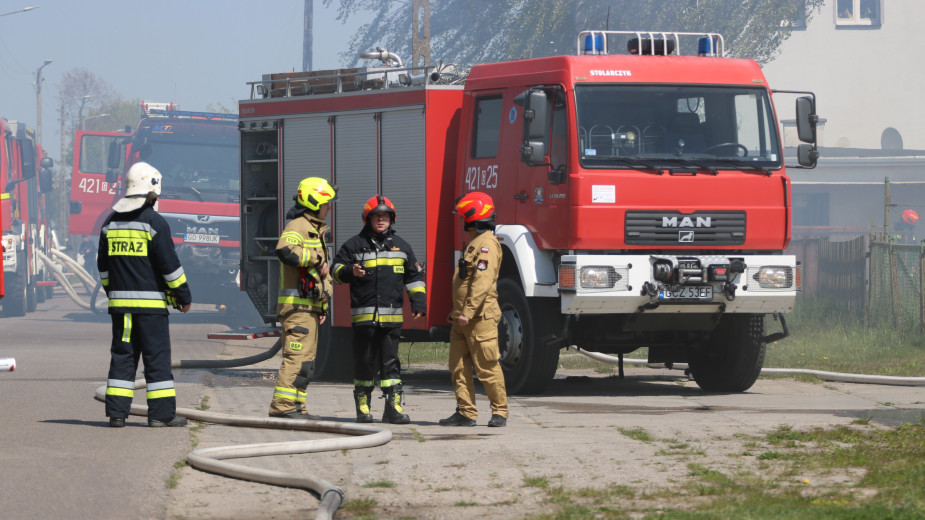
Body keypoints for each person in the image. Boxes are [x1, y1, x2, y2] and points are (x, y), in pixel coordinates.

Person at [98, 162, 192, 428]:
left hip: (121, 310)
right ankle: (161, 416)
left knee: (123, 357)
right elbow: (170, 267)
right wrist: (183, 297)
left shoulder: (109, 223)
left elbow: (103, 268)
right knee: (156, 359)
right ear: (152, 192)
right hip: (150, 310)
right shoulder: (154, 223)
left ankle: (117, 415)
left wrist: (112, 292)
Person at [331, 195, 426, 424]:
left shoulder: (402, 246)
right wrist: (349, 272)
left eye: (385, 216)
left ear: (392, 219)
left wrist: (419, 303)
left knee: (391, 364)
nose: (381, 220)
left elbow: (414, 278)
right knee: (364, 362)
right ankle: (363, 407)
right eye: (376, 216)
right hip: (364, 320)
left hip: (391, 320)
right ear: (368, 219)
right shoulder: (353, 245)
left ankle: (393, 409)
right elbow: (335, 271)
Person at [268, 176, 337, 420]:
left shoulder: (314, 229)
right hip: (296, 309)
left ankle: (298, 407)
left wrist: (323, 306)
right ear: (315, 201)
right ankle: (283, 407)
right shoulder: (297, 226)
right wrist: (318, 260)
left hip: (309, 309)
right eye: (326, 203)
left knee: (307, 363)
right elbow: (285, 251)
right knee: (296, 358)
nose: (329, 208)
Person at [439, 191, 508, 428]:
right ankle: (466, 412)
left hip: (478, 318)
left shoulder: (487, 244)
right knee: (458, 367)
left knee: (487, 366)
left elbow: (481, 283)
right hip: (462, 319)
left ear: (472, 216)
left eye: (463, 216)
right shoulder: (475, 243)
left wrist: (467, 312)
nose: (461, 221)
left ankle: (500, 412)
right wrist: (458, 313)